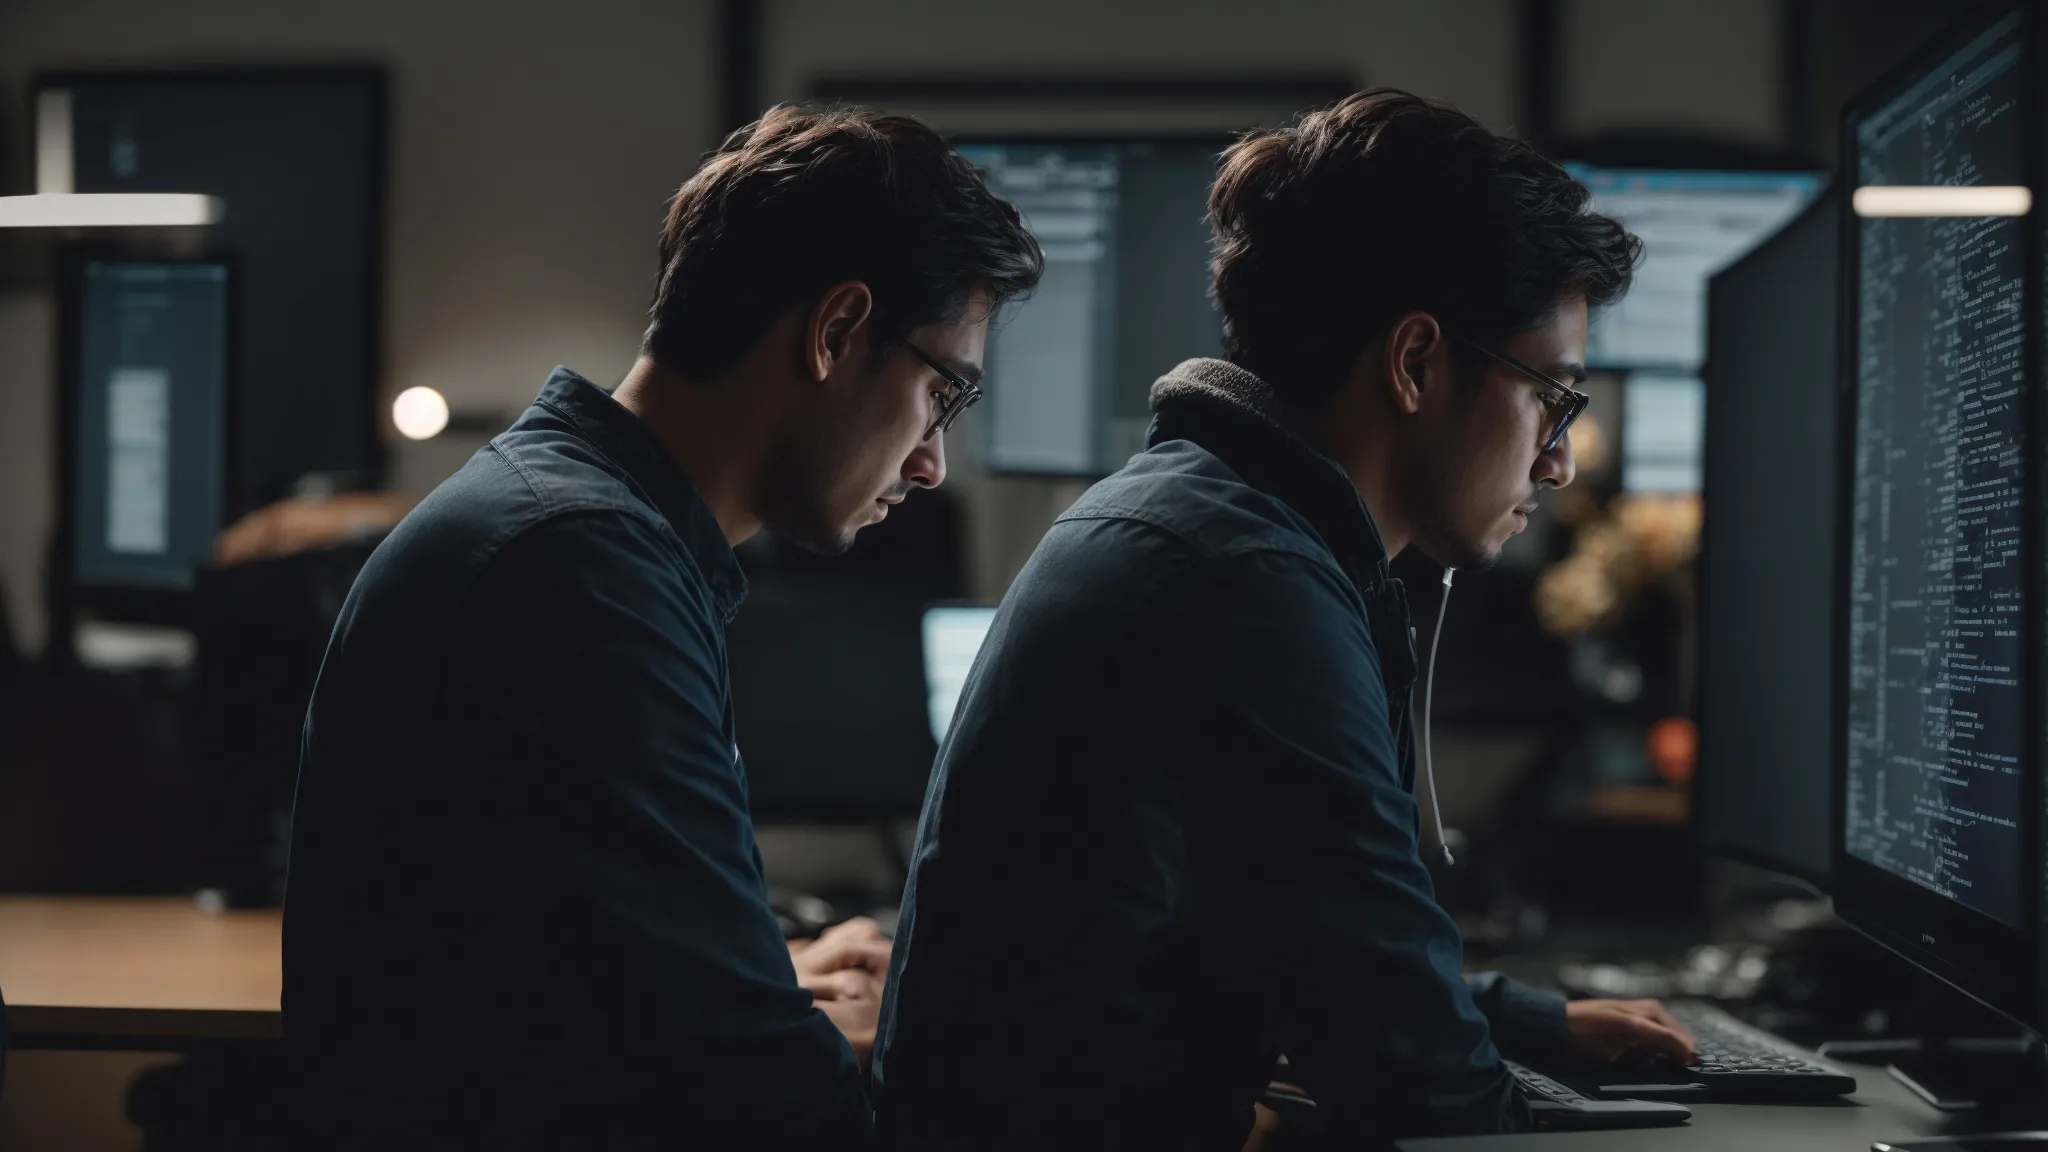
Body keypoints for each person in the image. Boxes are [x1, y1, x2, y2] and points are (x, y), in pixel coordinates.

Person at [871, 89, 1698, 1150]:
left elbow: (1315, 944)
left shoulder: (1202, 521)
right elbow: (1424, 1094)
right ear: (1412, 362)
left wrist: (1527, 1024)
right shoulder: (1242, 582)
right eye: (1553, 396)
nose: (1559, 458)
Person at [283, 104, 1041, 1147]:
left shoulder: (582, 530)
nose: (929, 463)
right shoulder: (577, 571)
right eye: (940, 394)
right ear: (835, 332)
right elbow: (761, 1097)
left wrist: (758, 976)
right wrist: (854, 1031)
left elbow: (537, 950)